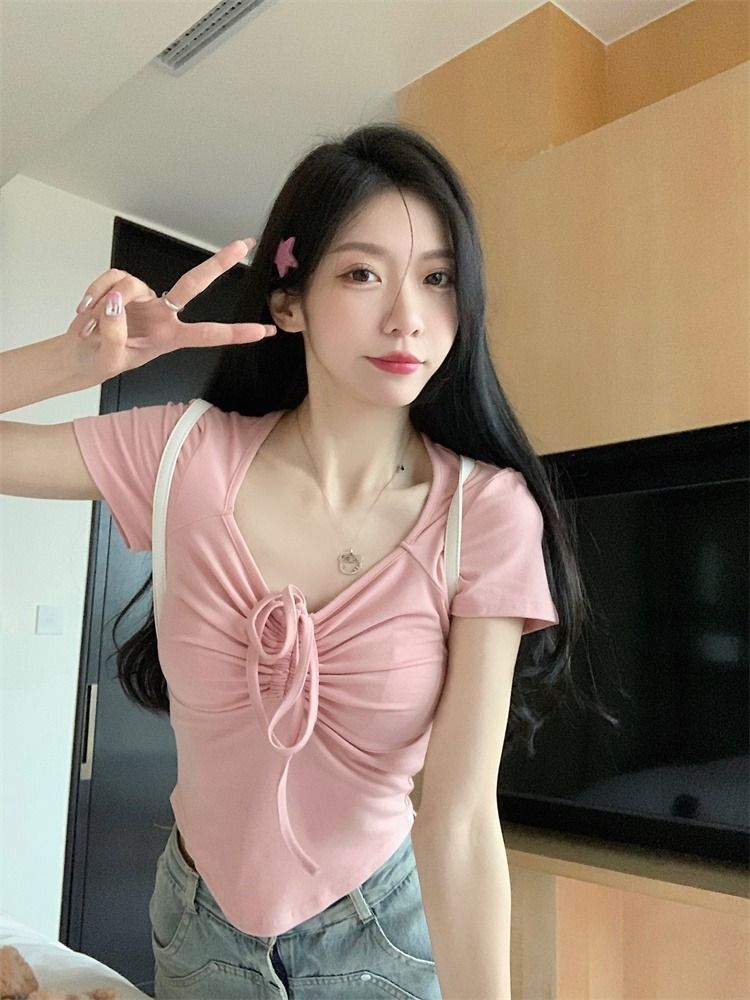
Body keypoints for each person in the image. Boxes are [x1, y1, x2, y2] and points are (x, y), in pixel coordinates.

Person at [0, 122, 615, 1000]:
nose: (407, 316)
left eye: (438, 278)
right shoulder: (185, 455)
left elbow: (458, 821)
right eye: (363, 274)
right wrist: (80, 358)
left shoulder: (484, 513)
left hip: (384, 944)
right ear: (288, 301)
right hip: (198, 932)